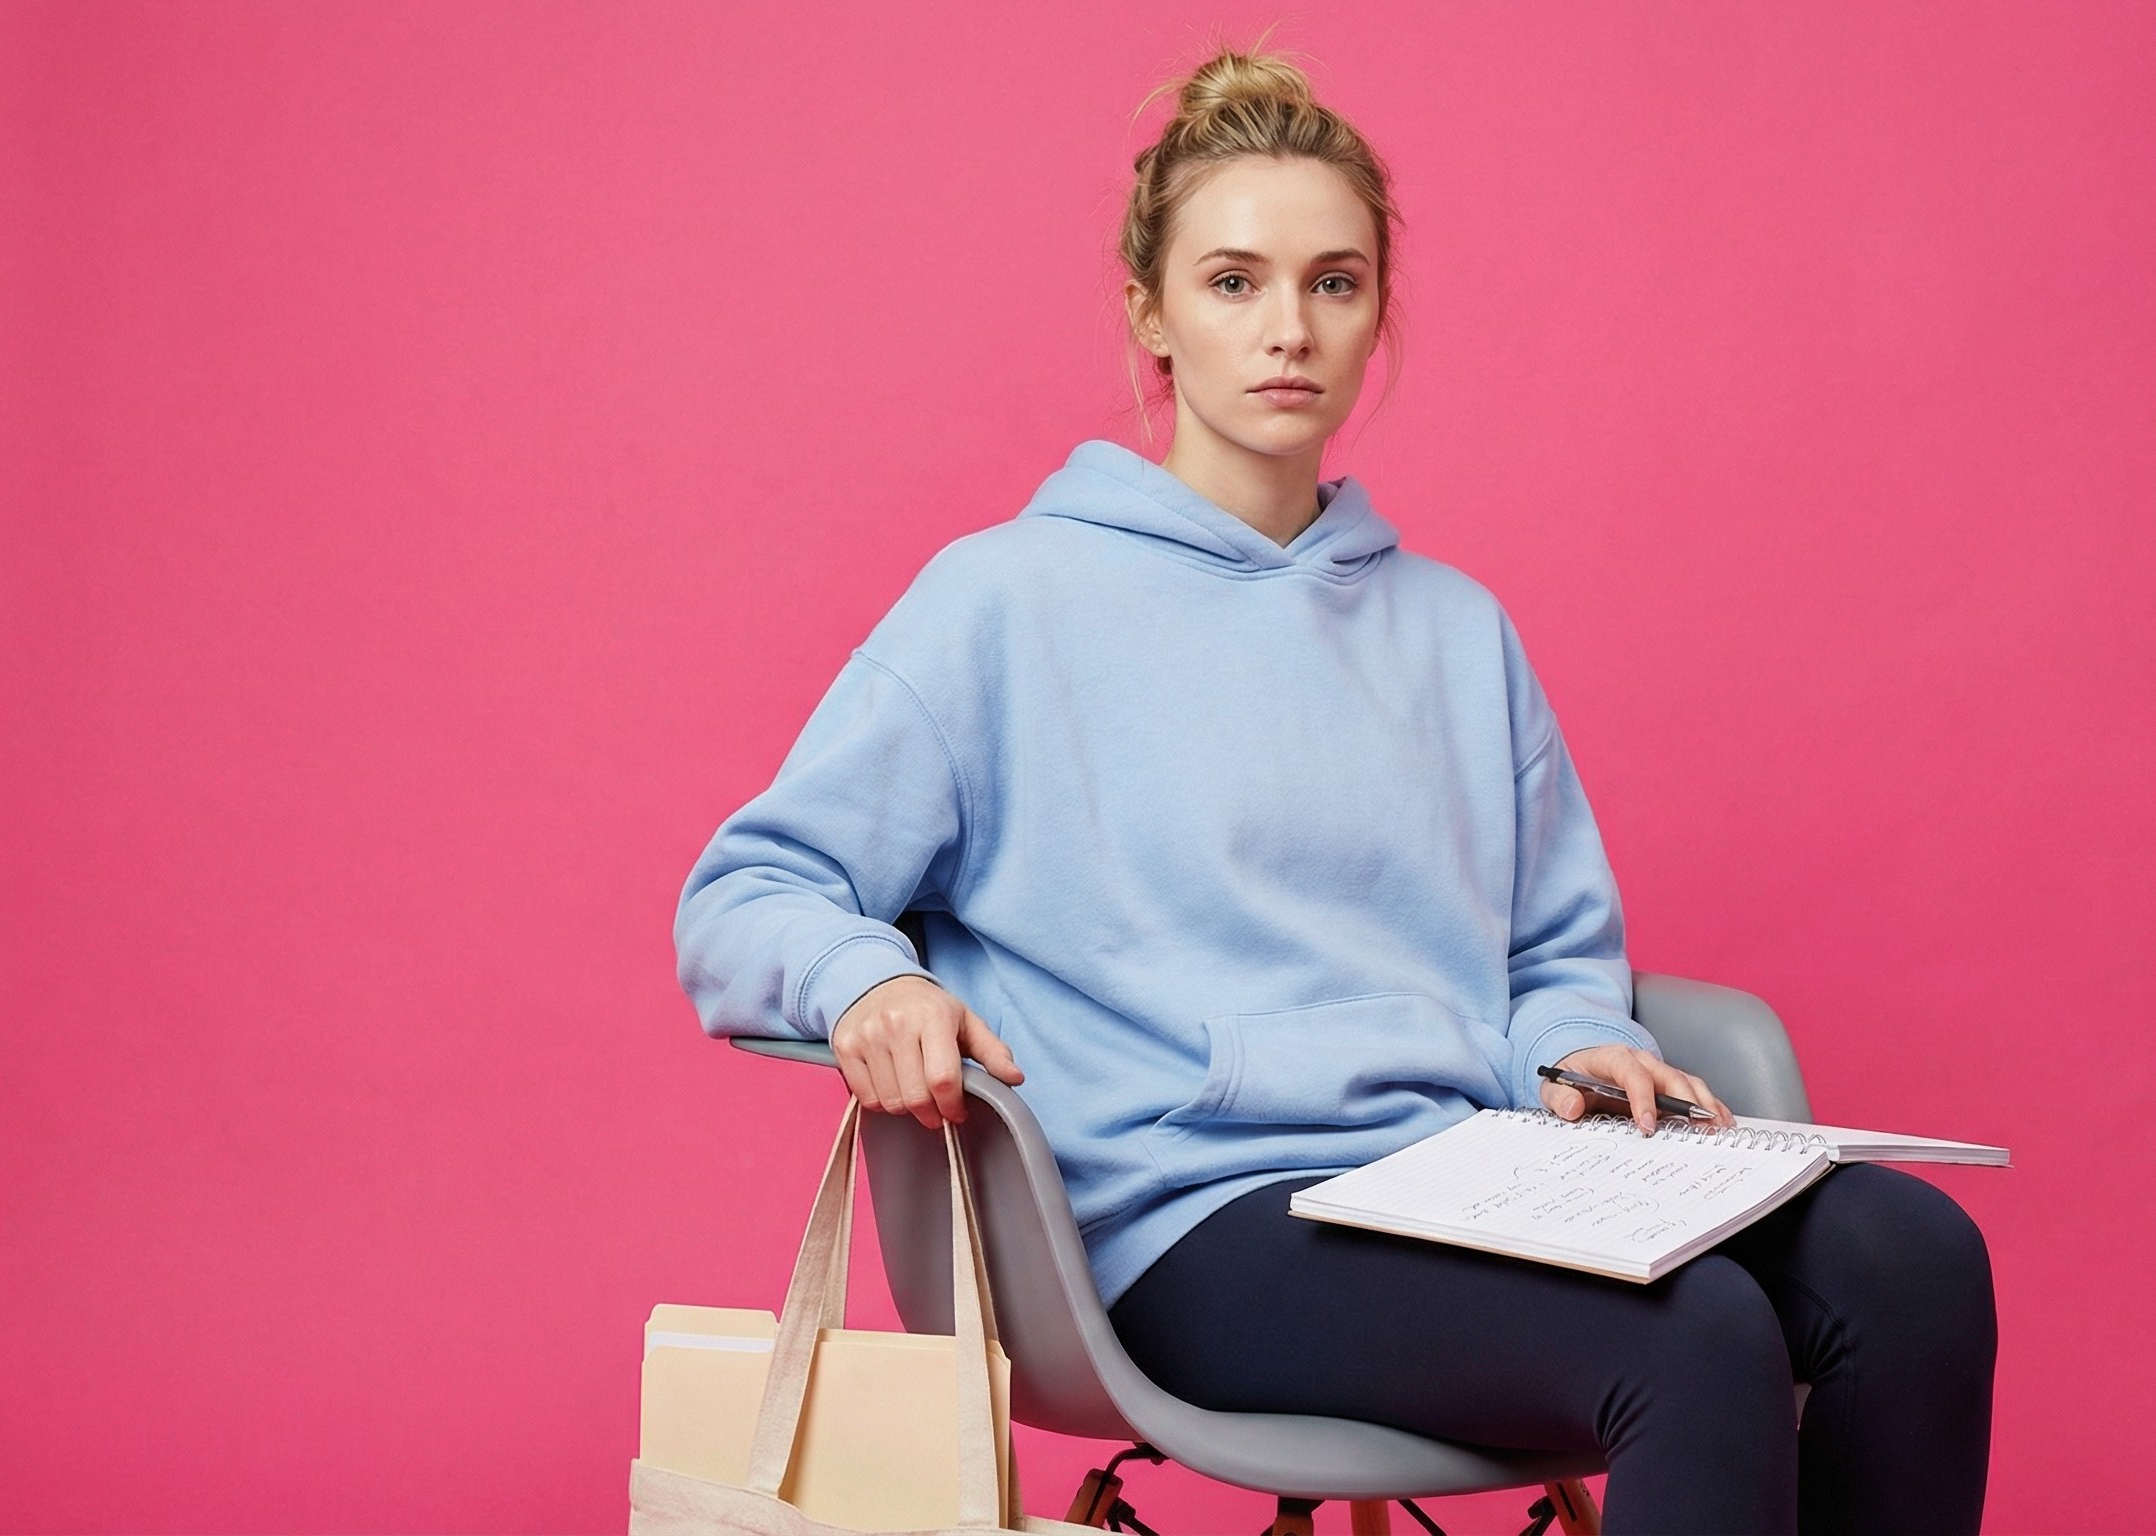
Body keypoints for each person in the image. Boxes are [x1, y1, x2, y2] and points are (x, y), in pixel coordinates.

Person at [673, 40, 1996, 1536]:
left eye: (1335, 283)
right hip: (1185, 1223)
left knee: (1915, 1261)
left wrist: (1573, 1039)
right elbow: (747, 890)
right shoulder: (1003, 603)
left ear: (1377, 318)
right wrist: (864, 985)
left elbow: (1551, 952)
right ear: (1149, 313)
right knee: (1698, 1340)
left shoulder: (1455, 630)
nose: (1286, 330)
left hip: (1473, 1177)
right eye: (1234, 281)